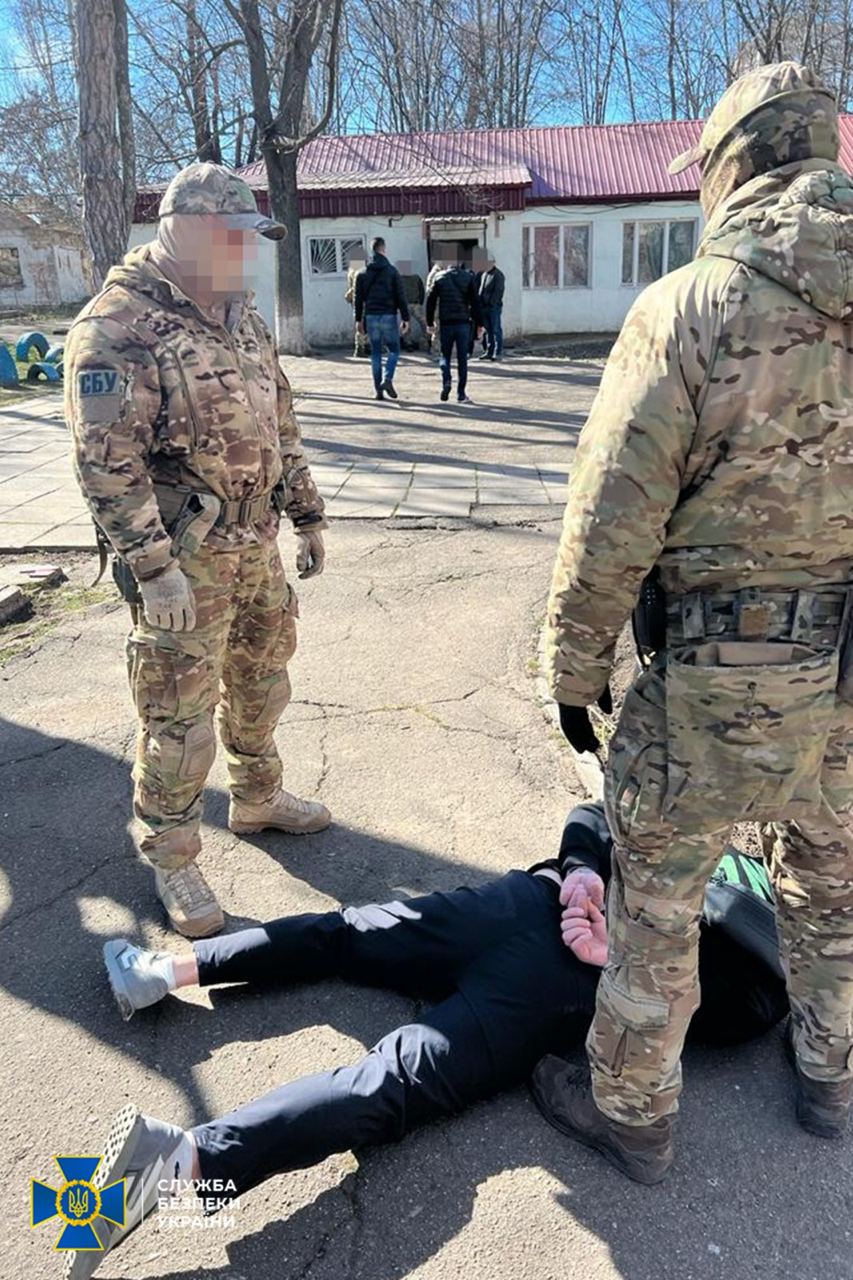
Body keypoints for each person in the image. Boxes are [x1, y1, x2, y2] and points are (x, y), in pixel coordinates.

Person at [539, 61, 853, 1181]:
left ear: (733, 163)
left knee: (658, 903)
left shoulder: (690, 305)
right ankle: (828, 1076)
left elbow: (610, 516)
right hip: (845, 679)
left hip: (712, 682)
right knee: (832, 886)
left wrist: (573, 668)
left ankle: (634, 1114)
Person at [63, 804, 786, 1277]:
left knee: (343, 936)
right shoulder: (774, 908)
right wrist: (591, 894)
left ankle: (161, 972)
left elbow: (593, 815)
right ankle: (177, 1161)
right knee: (391, 1082)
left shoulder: (694, 807)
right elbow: (752, 1006)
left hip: (523, 909)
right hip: (553, 969)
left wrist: (581, 878)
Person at [65, 162, 331, 941]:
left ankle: (257, 797)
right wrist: (153, 570)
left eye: (249, 240)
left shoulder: (239, 316)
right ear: (181, 231)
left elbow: (280, 421)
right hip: (184, 560)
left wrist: (307, 513)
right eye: (230, 239)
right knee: (177, 718)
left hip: (257, 544)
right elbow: (106, 465)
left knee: (262, 680)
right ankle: (173, 854)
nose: (244, 255)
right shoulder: (117, 327)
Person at [353, 236, 410, 400]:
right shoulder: (392, 271)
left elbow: (358, 299)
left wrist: (358, 319)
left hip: (371, 316)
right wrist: (405, 318)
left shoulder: (362, 273)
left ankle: (378, 391)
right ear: (383, 249)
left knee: (376, 353)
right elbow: (401, 296)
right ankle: (388, 378)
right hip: (389, 315)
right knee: (394, 350)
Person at [425, 246, 483, 404]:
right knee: (462, 359)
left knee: (445, 355)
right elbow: (475, 303)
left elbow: (430, 302)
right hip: (463, 323)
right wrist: (480, 324)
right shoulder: (468, 277)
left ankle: (447, 381)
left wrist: (429, 323)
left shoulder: (439, 277)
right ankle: (461, 394)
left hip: (446, 323)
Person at [478, 255, 505, 361]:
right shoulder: (484, 274)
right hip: (484, 307)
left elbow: (498, 292)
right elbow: (481, 290)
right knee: (488, 330)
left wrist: (491, 303)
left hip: (493, 307)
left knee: (495, 329)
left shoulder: (498, 275)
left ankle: (497, 352)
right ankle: (489, 351)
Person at [344, 250, 370, 358]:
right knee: (362, 323)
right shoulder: (358, 271)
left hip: (357, 299)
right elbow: (356, 287)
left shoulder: (352, 270)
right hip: (361, 299)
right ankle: (360, 348)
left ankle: (364, 345)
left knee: (362, 323)